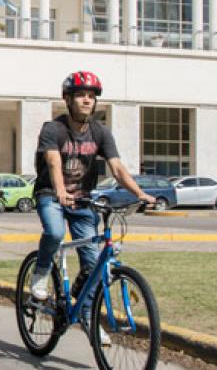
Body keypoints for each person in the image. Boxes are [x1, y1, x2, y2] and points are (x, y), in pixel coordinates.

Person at [27, 71, 156, 345]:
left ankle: (87, 316)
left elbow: (118, 168)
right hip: (51, 193)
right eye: (81, 96)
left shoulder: (100, 132)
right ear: (68, 99)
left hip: (83, 199)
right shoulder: (54, 129)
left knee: (93, 264)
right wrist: (60, 192)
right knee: (53, 231)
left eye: (91, 96)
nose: (87, 101)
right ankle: (40, 273)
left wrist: (140, 193)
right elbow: (52, 163)